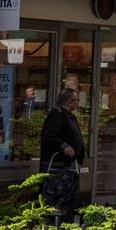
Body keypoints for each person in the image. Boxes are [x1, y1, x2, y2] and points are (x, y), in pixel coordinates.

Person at [39, 87, 85, 217]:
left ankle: (67, 218)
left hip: (68, 163)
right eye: (77, 100)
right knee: (56, 196)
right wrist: (64, 146)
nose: (77, 103)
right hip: (57, 165)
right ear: (69, 102)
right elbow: (48, 136)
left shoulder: (68, 115)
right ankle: (55, 219)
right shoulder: (57, 115)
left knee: (70, 194)